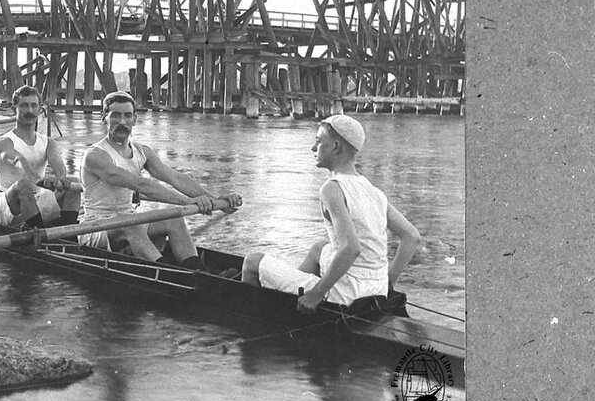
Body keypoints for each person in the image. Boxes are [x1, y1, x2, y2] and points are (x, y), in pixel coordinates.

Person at [240, 114, 422, 313]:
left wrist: (317, 294)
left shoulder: (332, 189)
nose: (312, 148)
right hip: (376, 290)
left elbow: (351, 248)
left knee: (252, 262)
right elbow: (411, 237)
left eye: (318, 142)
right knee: (319, 249)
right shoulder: (373, 191)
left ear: (335, 147)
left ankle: (275, 314)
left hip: (348, 295)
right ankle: (291, 298)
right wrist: (387, 284)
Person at [78, 91, 242, 269]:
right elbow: (140, 184)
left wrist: (216, 201)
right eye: (115, 116)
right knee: (131, 224)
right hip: (95, 229)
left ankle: (198, 272)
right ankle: (168, 273)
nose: (122, 122)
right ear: (104, 118)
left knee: (174, 220)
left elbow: (176, 178)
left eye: (127, 116)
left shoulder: (143, 152)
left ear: (135, 119)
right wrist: (188, 202)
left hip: (128, 222)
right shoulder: (94, 155)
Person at [0, 85, 80, 228]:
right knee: (23, 185)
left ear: (39, 109)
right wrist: (41, 180)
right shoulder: (4, 142)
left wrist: (61, 179)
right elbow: (20, 161)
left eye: (34, 106)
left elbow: (58, 165)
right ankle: (38, 240)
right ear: (14, 109)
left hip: (36, 200)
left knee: (73, 183)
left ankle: (68, 238)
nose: (30, 111)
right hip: (7, 206)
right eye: (24, 106)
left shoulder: (48, 142)